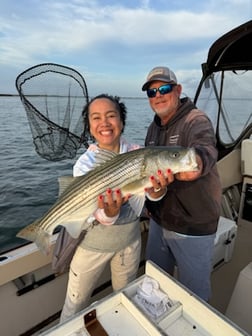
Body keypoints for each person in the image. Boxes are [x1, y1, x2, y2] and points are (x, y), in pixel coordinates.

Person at [60, 93, 168, 322]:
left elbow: (149, 195)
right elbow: (93, 214)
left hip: (129, 243)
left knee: (125, 298)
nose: (105, 123)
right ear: (89, 126)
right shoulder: (84, 164)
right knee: (75, 302)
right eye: (96, 117)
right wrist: (110, 212)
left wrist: (158, 190)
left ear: (122, 120)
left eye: (111, 115)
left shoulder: (138, 152)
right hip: (93, 246)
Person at [142, 66, 222, 302]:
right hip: (160, 222)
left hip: (192, 227)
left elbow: (205, 148)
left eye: (164, 89)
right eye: (151, 92)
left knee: (195, 298)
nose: (158, 96)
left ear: (177, 90)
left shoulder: (195, 119)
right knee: (154, 288)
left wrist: (195, 161)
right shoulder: (153, 127)